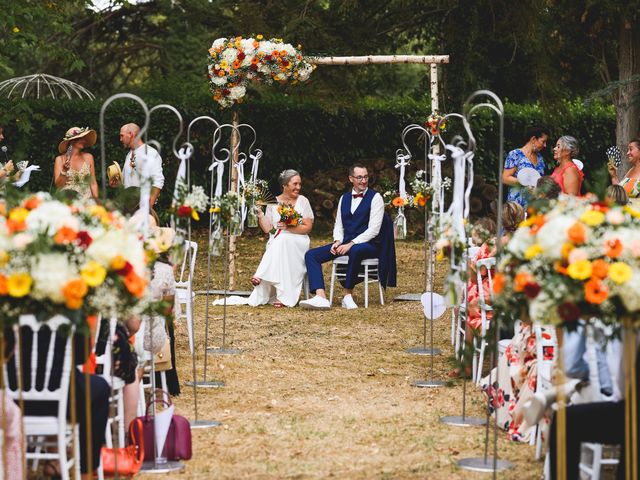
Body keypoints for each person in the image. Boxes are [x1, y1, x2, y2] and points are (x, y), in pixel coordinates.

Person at [300, 163, 395, 310]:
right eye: (359, 177)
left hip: (370, 245)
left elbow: (374, 230)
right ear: (351, 179)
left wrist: (351, 243)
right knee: (312, 255)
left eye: (365, 177)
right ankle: (321, 297)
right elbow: (339, 225)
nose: (363, 181)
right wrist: (337, 241)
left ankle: (347, 296)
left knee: (356, 250)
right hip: (346, 243)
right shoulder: (344, 198)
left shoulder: (376, 198)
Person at [248, 169, 314, 308]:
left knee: (282, 238)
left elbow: (307, 227)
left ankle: (261, 274)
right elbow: (268, 230)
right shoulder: (273, 202)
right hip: (279, 241)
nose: (298, 187)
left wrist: (288, 227)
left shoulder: (303, 201)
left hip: (299, 240)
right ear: (284, 185)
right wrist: (260, 214)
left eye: (299, 184)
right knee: (280, 239)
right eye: (295, 184)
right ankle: (283, 296)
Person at [110, 123, 164, 207]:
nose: (120, 139)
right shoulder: (129, 155)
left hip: (143, 206)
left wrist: (149, 207)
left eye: (122, 136)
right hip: (127, 206)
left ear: (131, 134)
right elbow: (127, 182)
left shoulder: (150, 153)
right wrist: (117, 184)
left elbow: (157, 181)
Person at [502, 125, 550, 207]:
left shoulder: (540, 158)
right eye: (543, 141)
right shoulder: (515, 154)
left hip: (533, 206)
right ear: (533, 139)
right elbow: (505, 178)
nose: (545, 145)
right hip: (516, 205)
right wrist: (526, 183)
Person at [53, 127, 99, 200]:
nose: (83, 140)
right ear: (71, 141)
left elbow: (93, 183)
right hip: (66, 200)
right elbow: (59, 185)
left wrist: (97, 201)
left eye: (83, 138)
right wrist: (64, 170)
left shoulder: (89, 157)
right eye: (80, 138)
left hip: (86, 201)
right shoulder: (60, 159)